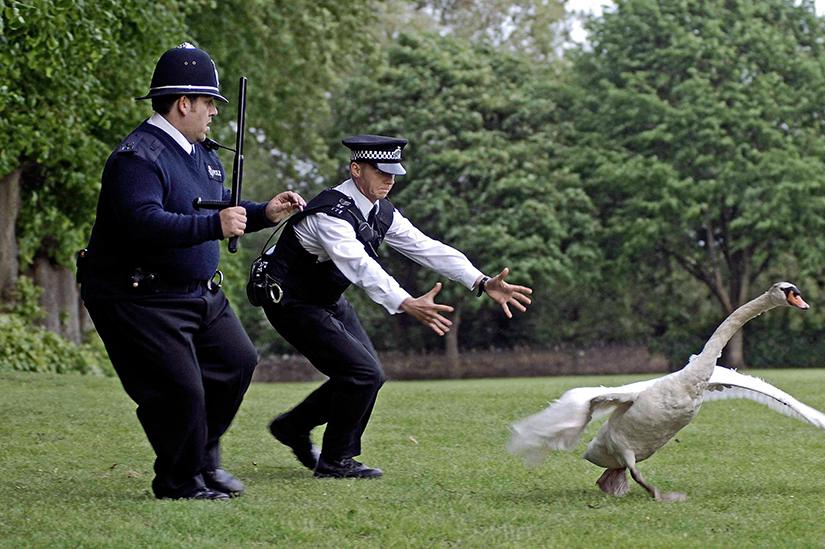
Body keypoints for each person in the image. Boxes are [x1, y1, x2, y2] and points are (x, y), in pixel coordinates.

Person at [78, 43, 306, 500]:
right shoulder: (136, 158)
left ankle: (202, 459)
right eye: (209, 103)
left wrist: (265, 213)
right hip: (138, 295)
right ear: (184, 103)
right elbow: (143, 223)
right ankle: (179, 482)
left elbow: (219, 212)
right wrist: (213, 225)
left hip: (198, 292)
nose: (215, 114)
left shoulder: (203, 155)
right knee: (180, 391)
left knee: (236, 363)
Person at [263, 134, 532, 479]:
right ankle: (334, 461)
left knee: (368, 375)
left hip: (325, 299)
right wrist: (404, 301)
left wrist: (480, 280)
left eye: (393, 173)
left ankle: (293, 427)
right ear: (356, 169)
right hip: (290, 302)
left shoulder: (378, 211)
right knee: (363, 374)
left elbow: (426, 247)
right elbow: (360, 266)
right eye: (382, 172)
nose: (390, 180)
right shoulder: (331, 215)